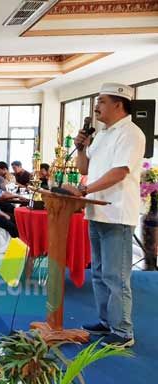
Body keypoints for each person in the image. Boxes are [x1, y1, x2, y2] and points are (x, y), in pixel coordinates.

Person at [66, 83, 145, 347]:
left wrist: (84, 189)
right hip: (96, 210)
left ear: (118, 104)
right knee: (98, 272)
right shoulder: (102, 134)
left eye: (101, 101)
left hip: (117, 214)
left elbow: (120, 172)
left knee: (116, 276)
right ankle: (105, 321)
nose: (97, 107)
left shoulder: (131, 134)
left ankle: (123, 331)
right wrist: (80, 148)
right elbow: (85, 166)